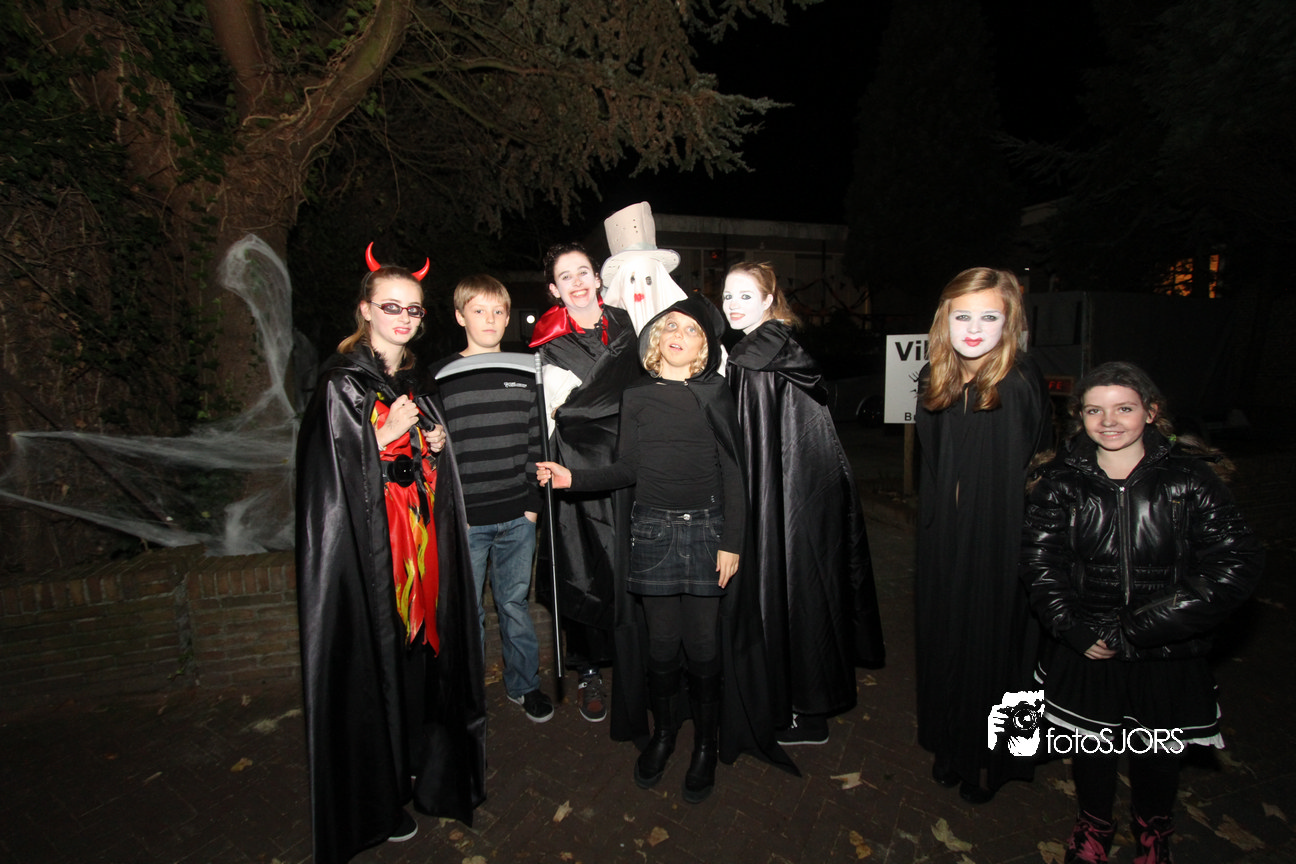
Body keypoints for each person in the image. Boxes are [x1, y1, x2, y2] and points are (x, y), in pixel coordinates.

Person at [537, 294, 796, 802]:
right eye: (672, 326)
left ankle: (705, 744)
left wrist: (731, 542)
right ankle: (664, 734)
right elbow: (628, 469)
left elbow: (734, 473)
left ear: (705, 347)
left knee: (702, 647)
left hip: (707, 533)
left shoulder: (716, 393)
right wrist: (573, 479)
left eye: (692, 330)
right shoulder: (637, 395)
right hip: (652, 533)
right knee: (660, 646)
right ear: (657, 337)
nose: (680, 335)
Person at [1022, 362, 1263, 864]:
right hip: (1089, 646)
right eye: (1095, 410)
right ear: (1080, 416)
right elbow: (1040, 562)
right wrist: (1070, 625)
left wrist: (1139, 628)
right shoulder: (1060, 481)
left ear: (1151, 412)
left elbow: (1234, 564)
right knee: (1091, 746)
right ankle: (1094, 824)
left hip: (1166, 648)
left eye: (1124, 408)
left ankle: (1153, 828)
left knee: (1157, 750)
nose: (1109, 421)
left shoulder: (1190, 478)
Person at [295, 245, 486, 863]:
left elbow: (423, 471)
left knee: (419, 660)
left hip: (421, 551)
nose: (403, 318)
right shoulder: (341, 382)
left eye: (414, 310)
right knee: (376, 660)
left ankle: (419, 768)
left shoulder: (416, 380)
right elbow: (327, 480)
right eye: (391, 307)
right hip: (372, 558)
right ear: (365, 310)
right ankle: (379, 794)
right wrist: (378, 437)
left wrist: (432, 446)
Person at [720, 261, 885, 746]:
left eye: (745, 296)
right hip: (803, 496)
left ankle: (795, 710)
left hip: (785, 497)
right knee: (801, 593)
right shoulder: (773, 346)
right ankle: (803, 704)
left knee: (786, 592)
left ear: (769, 300)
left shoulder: (756, 356)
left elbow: (753, 446)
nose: (733, 305)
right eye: (727, 295)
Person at [914, 266, 1053, 804]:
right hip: (946, 541)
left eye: (989, 317)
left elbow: (1020, 482)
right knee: (948, 642)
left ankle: (995, 764)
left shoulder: (1015, 383)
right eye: (962, 316)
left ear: (1009, 321)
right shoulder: (938, 377)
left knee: (999, 651)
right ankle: (952, 745)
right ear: (943, 320)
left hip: (1000, 544)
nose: (973, 329)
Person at [428, 274, 552, 723]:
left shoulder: (526, 369)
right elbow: (432, 451)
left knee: (514, 605)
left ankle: (525, 686)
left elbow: (537, 440)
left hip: (517, 515)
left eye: (499, 311)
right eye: (479, 310)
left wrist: (532, 507)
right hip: (465, 519)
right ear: (460, 316)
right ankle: (468, 695)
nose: (490, 319)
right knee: (468, 613)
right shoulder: (439, 377)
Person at [529, 242, 644, 722]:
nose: (577, 282)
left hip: (630, 459)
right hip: (574, 465)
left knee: (633, 560)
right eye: (565, 276)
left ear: (597, 278)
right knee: (581, 564)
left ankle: (638, 661)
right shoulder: (547, 340)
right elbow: (550, 413)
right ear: (554, 290)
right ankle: (588, 669)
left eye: (583, 272)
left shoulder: (629, 325)